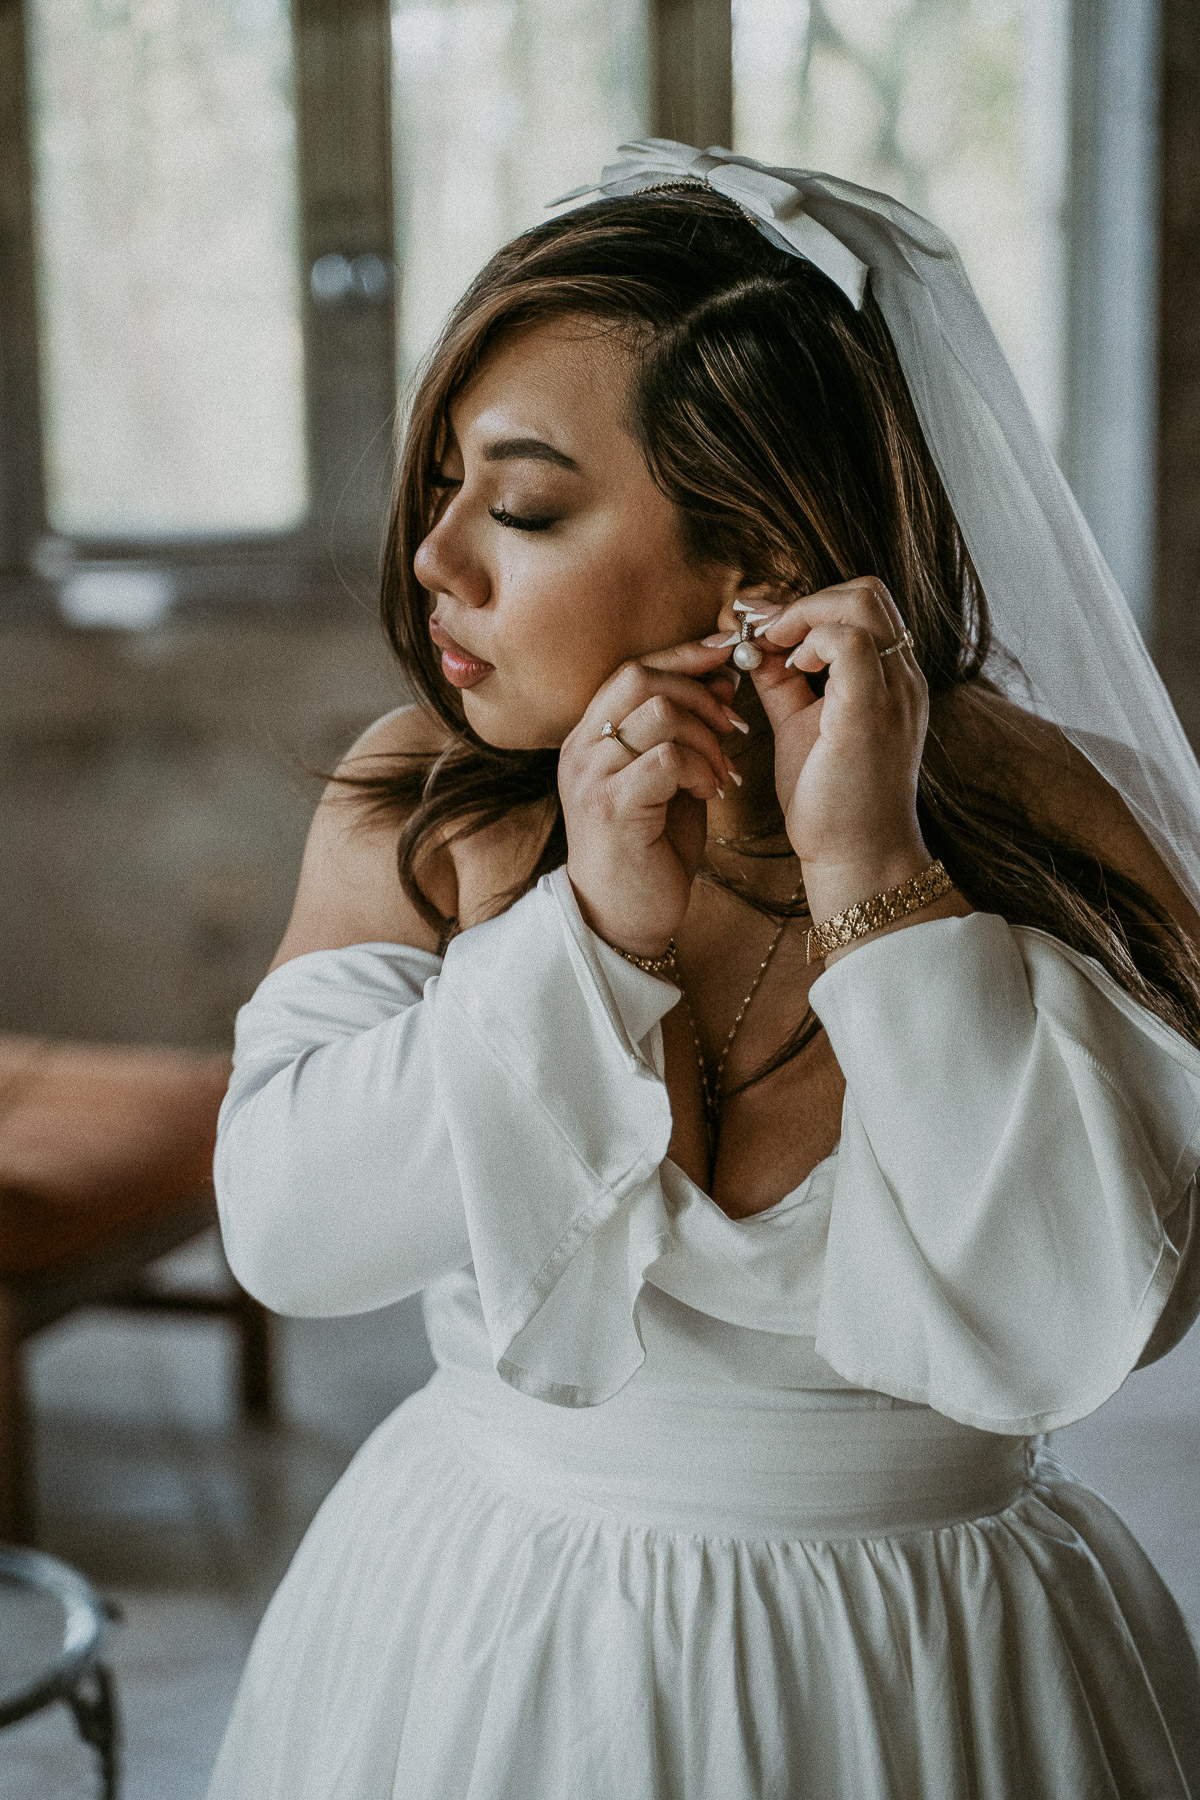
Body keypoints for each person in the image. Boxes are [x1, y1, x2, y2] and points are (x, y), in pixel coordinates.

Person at [206, 143, 1200, 1798]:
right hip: (482, 1646)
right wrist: (585, 935)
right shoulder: (423, 801)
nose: (436, 557)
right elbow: (291, 1237)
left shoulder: (1046, 817)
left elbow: (1092, 1321)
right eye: (446, 481)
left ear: (750, 562)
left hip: (924, 1681)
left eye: (520, 505)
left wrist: (877, 879)